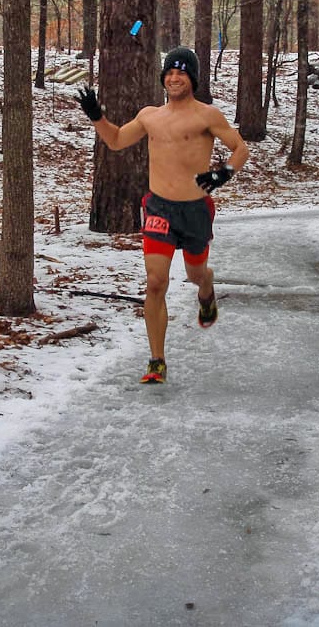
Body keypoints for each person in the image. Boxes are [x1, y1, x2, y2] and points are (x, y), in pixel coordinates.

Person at [75, 46, 250, 384]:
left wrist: (222, 173)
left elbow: (241, 148)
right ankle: (157, 360)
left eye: (181, 73)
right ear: (163, 78)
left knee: (196, 274)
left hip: (195, 210)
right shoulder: (149, 116)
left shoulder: (207, 115)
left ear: (192, 79)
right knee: (156, 282)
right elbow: (115, 140)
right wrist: (97, 116)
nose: (174, 78)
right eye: (170, 73)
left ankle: (207, 289)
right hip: (158, 208)